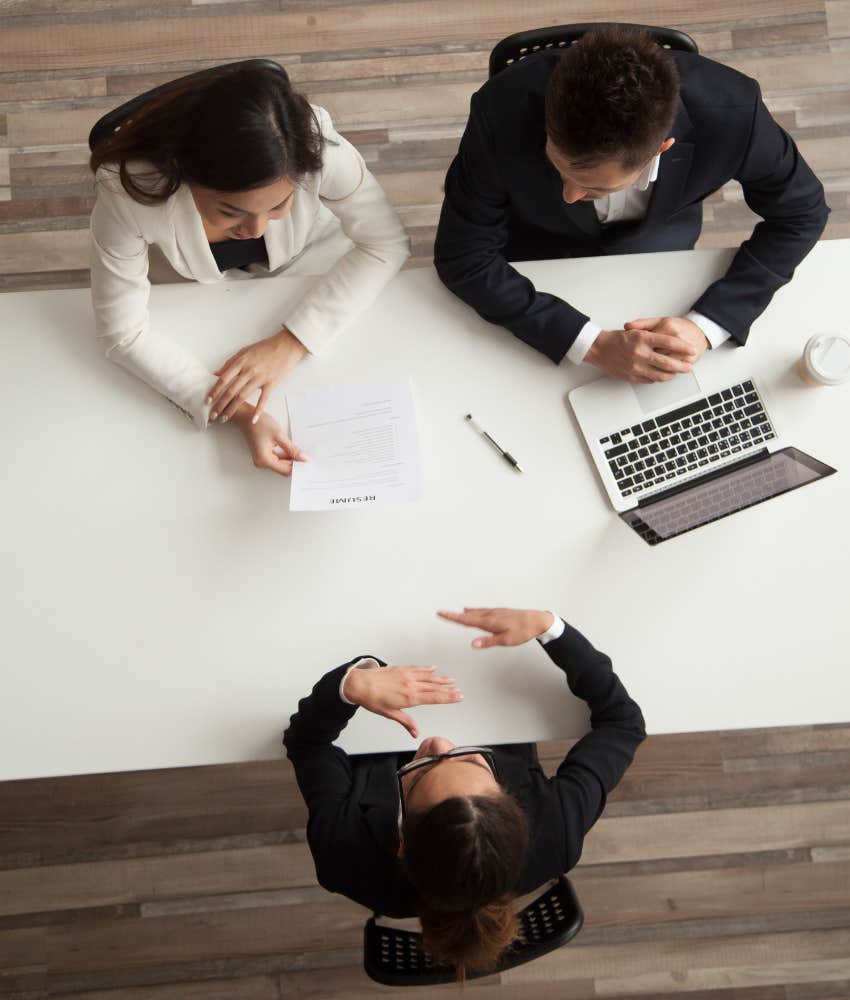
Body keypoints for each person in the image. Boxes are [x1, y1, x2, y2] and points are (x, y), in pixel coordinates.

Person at [433, 27, 829, 386]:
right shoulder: (499, 112)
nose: (569, 194)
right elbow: (462, 255)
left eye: (590, 187)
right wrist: (593, 345)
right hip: (535, 251)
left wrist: (707, 325)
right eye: (560, 169)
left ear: (660, 150)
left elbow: (802, 212)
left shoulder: (734, 114)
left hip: (660, 251)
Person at [283, 606, 645, 977]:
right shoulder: (557, 829)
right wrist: (550, 628)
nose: (440, 741)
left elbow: (306, 744)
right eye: (472, 762)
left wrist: (352, 685)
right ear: (515, 807)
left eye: (420, 774)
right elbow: (623, 723)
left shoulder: (343, 857)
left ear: (403, 841)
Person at [89, 62, 409, 476]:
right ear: (185, 178)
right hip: (191, 290)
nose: (255, 228)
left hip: (306, 267)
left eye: (279, 205)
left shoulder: (319, 148)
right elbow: (122, 331)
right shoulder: (128, 191)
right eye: (230, 211)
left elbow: (386, 241)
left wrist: (291, 342)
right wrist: (238, 411)